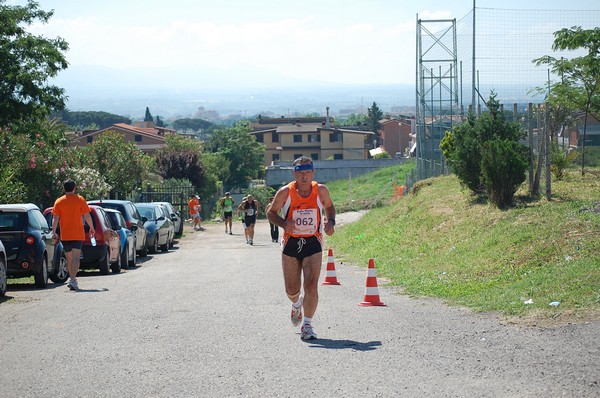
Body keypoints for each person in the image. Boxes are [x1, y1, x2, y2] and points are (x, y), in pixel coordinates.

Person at [267, 156, 335, 341]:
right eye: (300, 173)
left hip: (313, 242)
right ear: (294, 173)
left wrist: (331, 222)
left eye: (307, 172)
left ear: (312, 172)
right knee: (291, 289)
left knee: (311, 285)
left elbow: (329, 207)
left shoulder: (321, 190)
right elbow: (270, 213)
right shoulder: (285, 193)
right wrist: (283, 223)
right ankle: (297, 304)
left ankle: (307, 325)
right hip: (291, 243)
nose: (304, 176)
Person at [51, 179, 95, 291]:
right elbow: (87, 216)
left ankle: (72, 279)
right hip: (77, 233)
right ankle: (72, 279)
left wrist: (54, 231)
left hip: (65, 234)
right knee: (76, 257)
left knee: (69, 258)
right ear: (74, 188)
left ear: (64, 188)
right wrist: (91, 228)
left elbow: (55, 218)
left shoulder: (59, 201)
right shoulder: (80, 200)